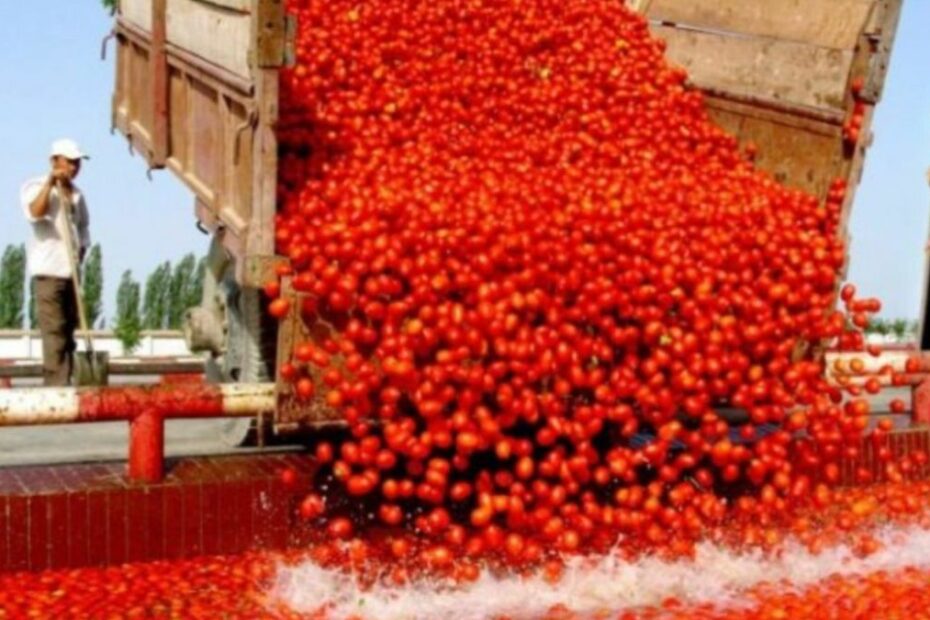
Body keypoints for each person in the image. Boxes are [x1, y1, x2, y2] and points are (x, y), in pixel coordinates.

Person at [20, 139, 91, 386]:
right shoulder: (35, 186)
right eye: (69, 162)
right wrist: (51, 183)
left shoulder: (78, 195)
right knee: (54, 332)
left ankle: (69, 380)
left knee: (69, 331)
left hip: (71, 273)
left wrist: (81, 252)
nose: (74, 167)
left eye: (77, 163)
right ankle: (55, 386)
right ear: (54, 161)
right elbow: (35, 213)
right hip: (48, 273)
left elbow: (83, 228)